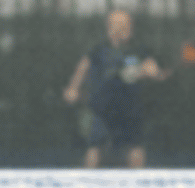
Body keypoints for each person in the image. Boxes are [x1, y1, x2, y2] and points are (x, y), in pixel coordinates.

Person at [63, 9, 169, 169]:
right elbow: (83, 67)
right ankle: (86, 187)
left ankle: (136, 186)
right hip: (102, 109)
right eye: (115, 25)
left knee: (135, 147)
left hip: (130, 109)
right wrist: (73, 87)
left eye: (124, 25)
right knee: (94, 147)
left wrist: (154, 72)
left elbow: (152, 68)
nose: (119, 29)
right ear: (108, 28)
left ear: (131, 28)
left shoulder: (139, 50)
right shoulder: (99, 50)